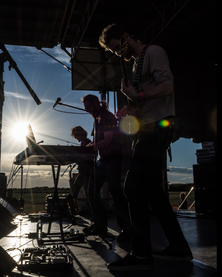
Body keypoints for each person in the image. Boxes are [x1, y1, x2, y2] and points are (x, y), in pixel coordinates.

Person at [99, 24, 192, 271]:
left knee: (132, 187)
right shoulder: (135, 65)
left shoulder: (154, 52)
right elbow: (146, 100)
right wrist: (130, 108)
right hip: (149, 127)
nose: (118, 53)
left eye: (118, 47)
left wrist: (137, 97)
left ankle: (141, 254)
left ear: (126, 36)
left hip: (160, 128)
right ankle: (179, 246)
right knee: (154, 193)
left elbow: (167, 87)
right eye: (114, 50)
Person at [81, 95, 131, 240]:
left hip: (113, 158)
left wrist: (92, 148)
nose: (86, 109)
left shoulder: (107, 117)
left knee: (115, 191)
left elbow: (108, 140)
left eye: (88, 106)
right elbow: (96, 141)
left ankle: (127, 229)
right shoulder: (97, 120)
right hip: (104, 160)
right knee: (92, 189)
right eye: (85, 107)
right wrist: (83, 149)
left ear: (96, 104)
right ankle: (99, 225)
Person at [69, 126, 93, 201]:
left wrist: (77, 155)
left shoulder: (88, 142)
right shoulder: (83, 143)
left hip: (87, 170)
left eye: (76, 135)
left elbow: (90, 156)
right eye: (75, 136)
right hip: (83, 171)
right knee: (76, 188)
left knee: (87, 191)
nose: (76, 137)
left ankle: (92, 208)